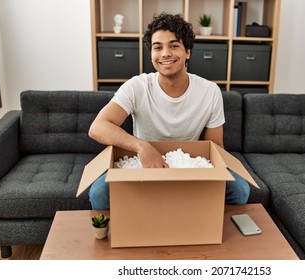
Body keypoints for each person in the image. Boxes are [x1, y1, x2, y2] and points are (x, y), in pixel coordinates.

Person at [88, 13, 250, 210]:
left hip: (188, 167)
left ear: (187, 51)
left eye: (174, 46)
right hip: (143, 166)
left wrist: (206, 176)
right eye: (158, 47)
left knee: (240, 190)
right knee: (98, 194)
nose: (165, 53)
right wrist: (142, 146)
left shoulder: (210, 91)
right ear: (151, 54)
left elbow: (216, 146)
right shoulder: (137, 86)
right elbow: (98, 127)